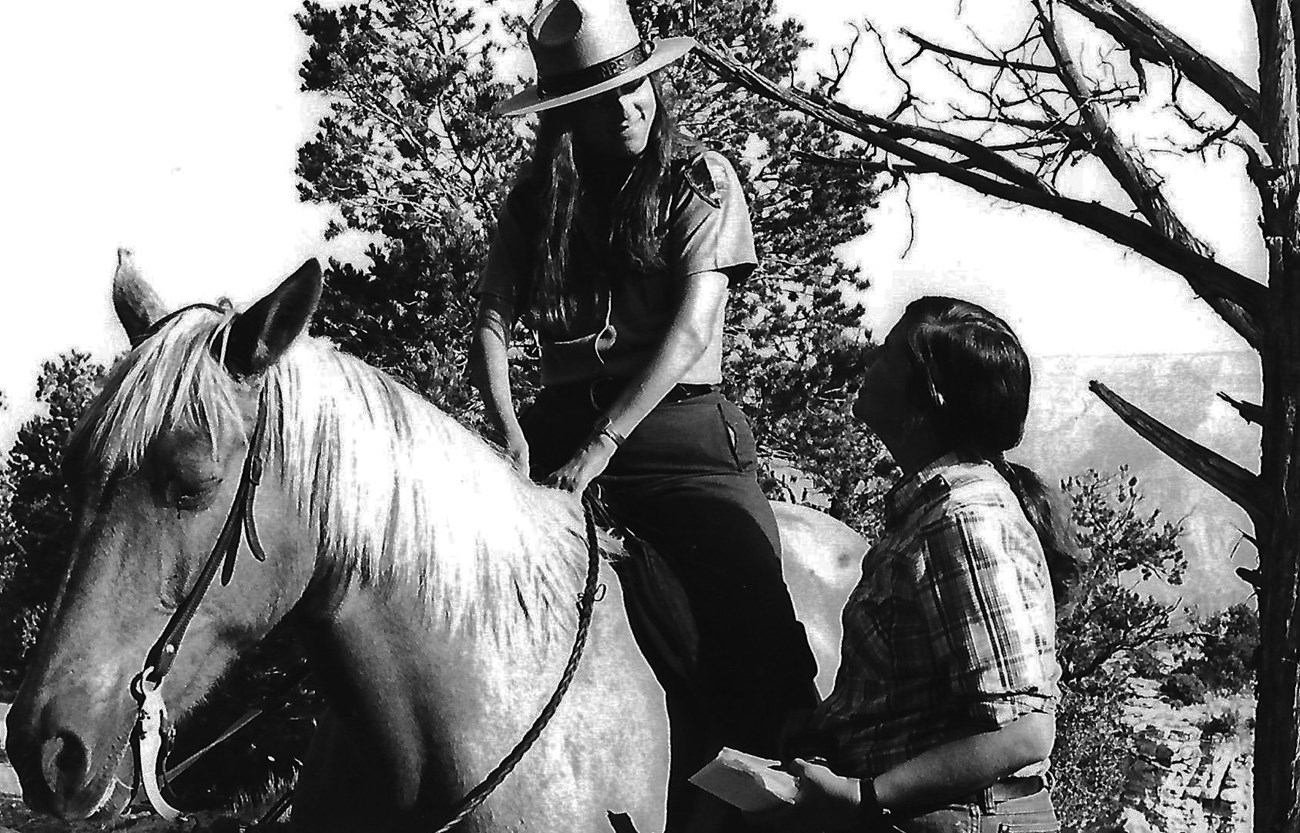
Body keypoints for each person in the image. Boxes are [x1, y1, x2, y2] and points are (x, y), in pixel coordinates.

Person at [469, 1, 819, 829]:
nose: (628, 108)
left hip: (681, 436)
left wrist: (603, 442)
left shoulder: (699, 178)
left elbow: (692, 327)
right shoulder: (535, 206)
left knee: (751, 610)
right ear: (567, 116)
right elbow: (490, 317)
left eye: (638, 89)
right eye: (601, 98)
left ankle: (781, 790)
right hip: (556, 429)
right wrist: (511, 427)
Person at [755, 297, 1077, 832]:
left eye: (886, 354)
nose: (868, 361)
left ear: (929, 397)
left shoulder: (964, 522)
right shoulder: (933, 513)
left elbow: (1024, 732)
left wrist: (865, 796)